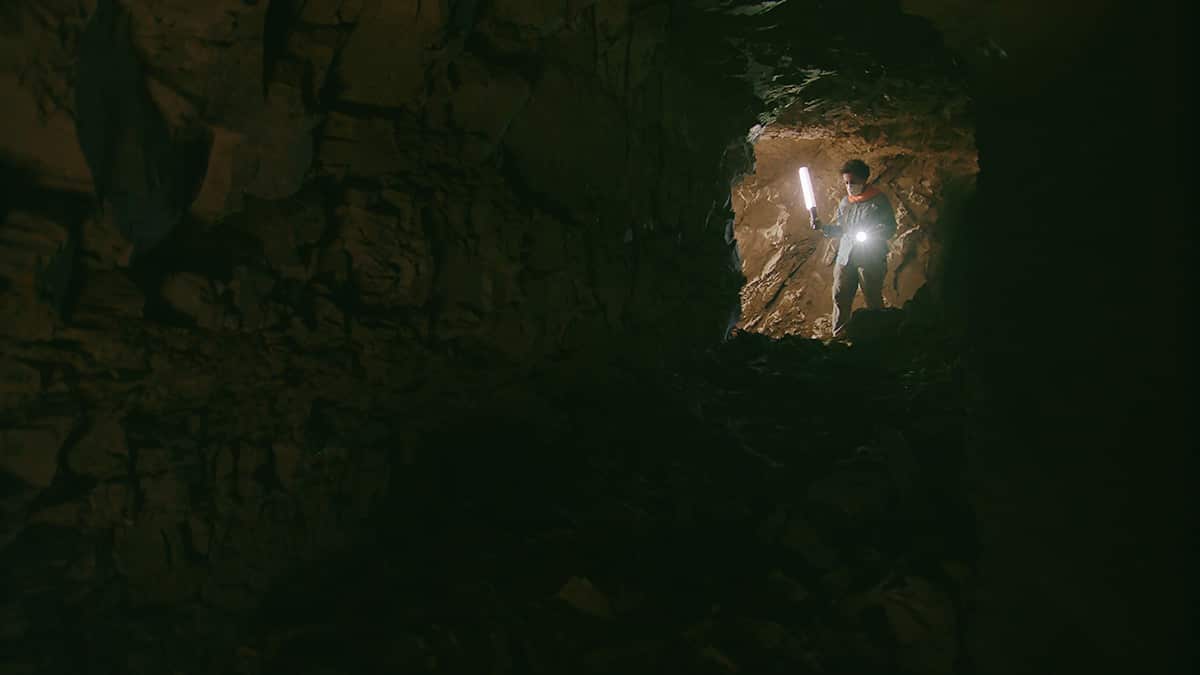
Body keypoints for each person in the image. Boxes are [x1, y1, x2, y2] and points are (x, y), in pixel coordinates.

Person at [810, 159, 897, 338]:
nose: (850, 186)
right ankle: (839, 336)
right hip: (845, 257)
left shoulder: (878, 201)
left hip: (870, 258)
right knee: (840, 297)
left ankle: (879, 336)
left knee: (872, 297)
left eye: (853, 182)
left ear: (864, 179)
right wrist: (823, 227)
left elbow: (890, 228)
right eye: (847, 183)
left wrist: (874, 232)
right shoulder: (845, 203)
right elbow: (841, 229)